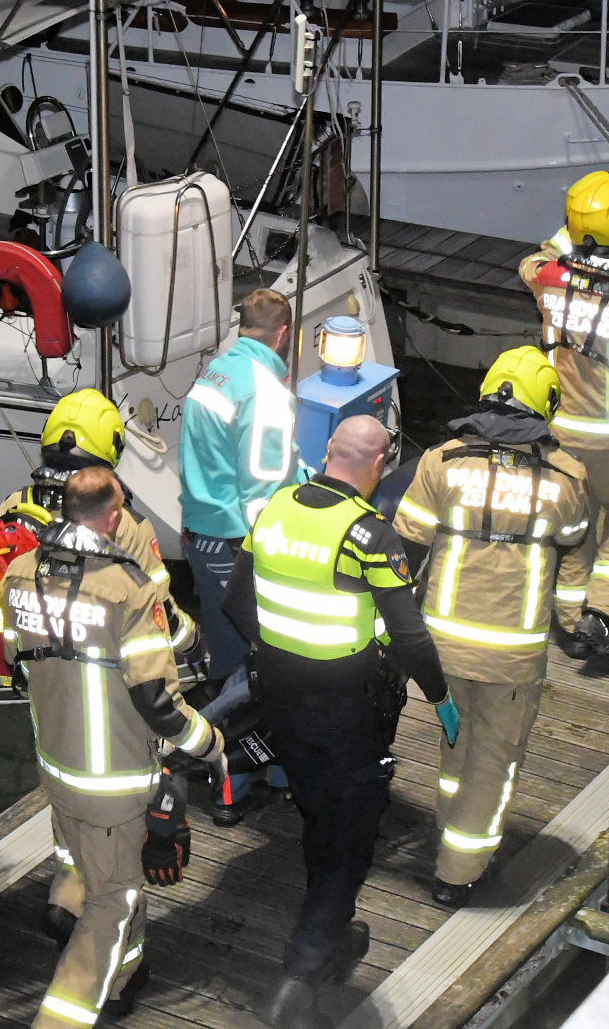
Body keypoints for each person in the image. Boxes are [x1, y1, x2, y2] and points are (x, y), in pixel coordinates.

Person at [222, 415, 454, 1029]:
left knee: (319, 815)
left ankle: (333, 929)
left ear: (328, 451)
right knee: (352, 834)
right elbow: (409, 635)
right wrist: (440, 697)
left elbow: (235, 601)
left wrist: (278, 653)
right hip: (346, 712)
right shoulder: (369, 536)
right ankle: (301, 972)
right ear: (380, 464)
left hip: (281, 703)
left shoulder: (275, 509)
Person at [5, 468, 226, 1029]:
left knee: (100, 875)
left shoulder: (19, 573)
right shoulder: (129, 589)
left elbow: (16, 666)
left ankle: (124, 980)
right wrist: (210, 744)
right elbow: (158, 701)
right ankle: (59, 1020)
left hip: (57, 768)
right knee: (113, 902)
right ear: (111, 516)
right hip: (114, 784)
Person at [392, 347, 593, 906]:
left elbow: (405, 550)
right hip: (511, 657)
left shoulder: (442, 462)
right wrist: (573, 624)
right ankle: (460, 873)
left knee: (455, 740)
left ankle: (447, 828)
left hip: (440, 646)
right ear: (545, 405)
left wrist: (395, 635)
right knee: (493, 762)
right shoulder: (567, 479)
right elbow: (575, 558)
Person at [0, 390, 201, 687]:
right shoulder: (123, 521)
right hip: (96, 669)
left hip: (33, 664)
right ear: (111, 447)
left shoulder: (14, 503)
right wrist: (193, 642)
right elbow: (158, 605)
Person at [179, 287, 305, 821]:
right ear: (284, 334)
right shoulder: (265, 393)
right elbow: (263, 491)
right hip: (240, 546)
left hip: (200, 536)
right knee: (263, 664)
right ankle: (250, 778)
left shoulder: (215, 374)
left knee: (228, 656)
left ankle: (228, 770)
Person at [518, 172, 609, 660]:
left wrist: (578, 235)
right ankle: (601, 614)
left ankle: (566, 622)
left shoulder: (545, 279)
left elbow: (539, 255)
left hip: (562, 432)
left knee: (576, 527)